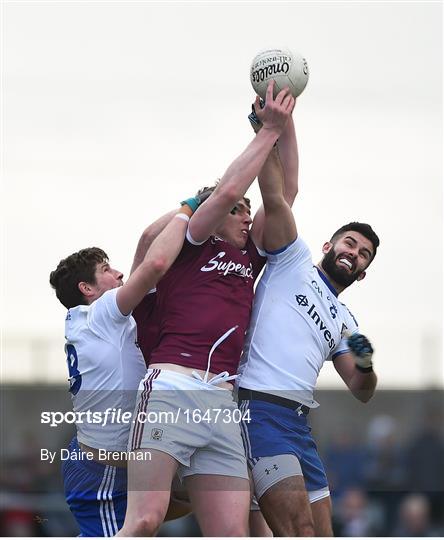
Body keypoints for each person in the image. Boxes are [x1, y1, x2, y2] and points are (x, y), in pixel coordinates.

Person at [116, 81, 295, 537]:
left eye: (246, 212)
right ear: (216, 218)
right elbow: (224, 191)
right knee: (146, 520)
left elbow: (285, 195)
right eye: (237, 211)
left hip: (222, 400)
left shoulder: (246, 257)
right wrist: (264, 130)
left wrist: (282, 126)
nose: (246, 217)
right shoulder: (192, 243)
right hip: (173, 386)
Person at [236, 113, 380, 536]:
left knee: (322, 535)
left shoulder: (347, 321)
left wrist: (367, 364)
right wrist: (267, 133)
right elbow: (277, 197)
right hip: (258, 409)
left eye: (363, 254)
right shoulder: (293, 259)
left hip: (299, 425)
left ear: (363, 272)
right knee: (298, 530)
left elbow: (362, 389)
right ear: (329, 246)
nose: (354, 252)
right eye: (349, 242)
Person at [49, 202, 195, 537]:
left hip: (105, 457)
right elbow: (153, 263)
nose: (118, 273)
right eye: (106, 269)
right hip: (102, 467)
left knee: (208, 491)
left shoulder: (90, 320)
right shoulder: (101, 313)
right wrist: (193, 206)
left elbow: (146, 241)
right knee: (133, 528)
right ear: (88, 289)